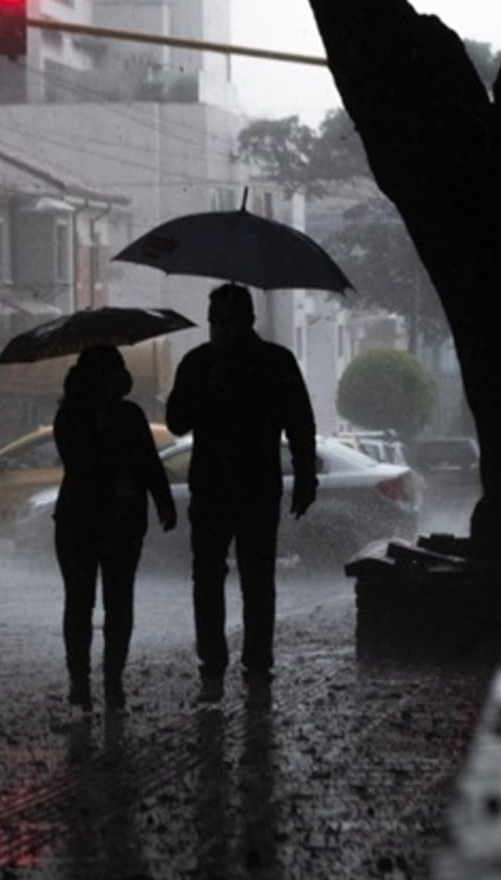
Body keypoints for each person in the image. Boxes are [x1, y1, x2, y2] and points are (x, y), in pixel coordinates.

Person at [166, 283, 317, 702]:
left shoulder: (274, 362)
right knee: (210, 578)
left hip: (253, 488)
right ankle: (214, 667)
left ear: (247, 321)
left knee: (255, 578)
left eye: (227, 323)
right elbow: (176, 421)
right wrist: (203, 390)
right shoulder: (200, 363)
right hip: (215, 487)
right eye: (215, 322)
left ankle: (255, 667)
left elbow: (300, 425)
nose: (220, 331)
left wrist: (306, 477)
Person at [51, 344, 177, 713]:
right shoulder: (70, 417)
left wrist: (163, 502)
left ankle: (112, 681)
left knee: (117, 604)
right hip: (83, 521)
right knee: (81, 602)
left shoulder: (131, 415)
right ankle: (81, 682)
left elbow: (151, 464)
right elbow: (79, 463)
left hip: (118, 523)